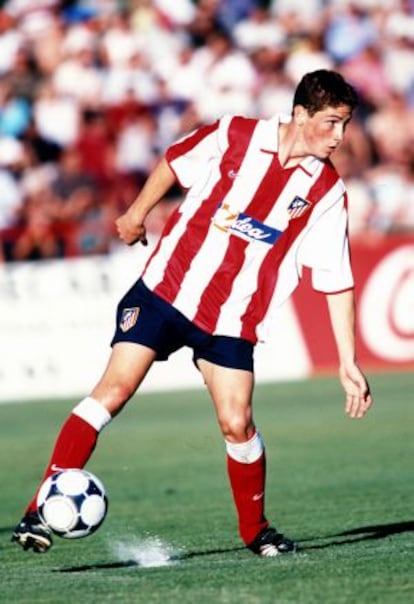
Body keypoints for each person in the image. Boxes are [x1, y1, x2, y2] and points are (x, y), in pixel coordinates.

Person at [12, 69, 373, 556]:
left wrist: (347, 360)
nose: (340, 136)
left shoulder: (326, 192)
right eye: (332, 122)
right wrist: (137, 213)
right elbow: (173, 163)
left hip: (231, 318)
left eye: (346, 124)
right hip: (165, 289)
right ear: (301, 114)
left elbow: (336, 278)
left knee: (237, 421)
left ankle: (256, 531)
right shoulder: (234, 135)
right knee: (113, 391)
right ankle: (38, 511)